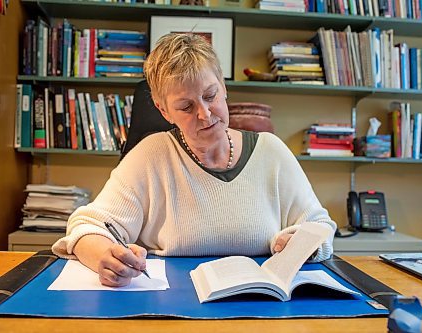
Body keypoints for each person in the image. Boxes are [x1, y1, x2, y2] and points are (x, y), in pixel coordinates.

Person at [52, 33, 337, 287]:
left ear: (223, 87)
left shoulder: (271, 152)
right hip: (171, 307)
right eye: (186, 106)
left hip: (259, 306)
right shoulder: (151, 156)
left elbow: (319, 226)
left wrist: (302, 243)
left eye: (210, 95)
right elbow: (86, 227)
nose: (205, 114)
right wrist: (104, 256)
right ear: (165, 112)